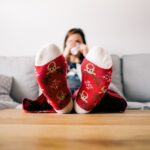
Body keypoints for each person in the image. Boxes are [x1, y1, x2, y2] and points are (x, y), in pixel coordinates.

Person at [23, 28, 127, 114]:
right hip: (61, 90)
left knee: (100, 93)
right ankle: (67, 103)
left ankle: (80, 104)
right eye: (70, 42)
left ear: (84, 44)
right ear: (65, 45)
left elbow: (100, 79)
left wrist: (88, 55)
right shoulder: (60, 62)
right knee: (51, 93)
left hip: (86, 90)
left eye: (78, 42)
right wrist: (64, 55)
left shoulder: (86, 62)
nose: (74, 44)